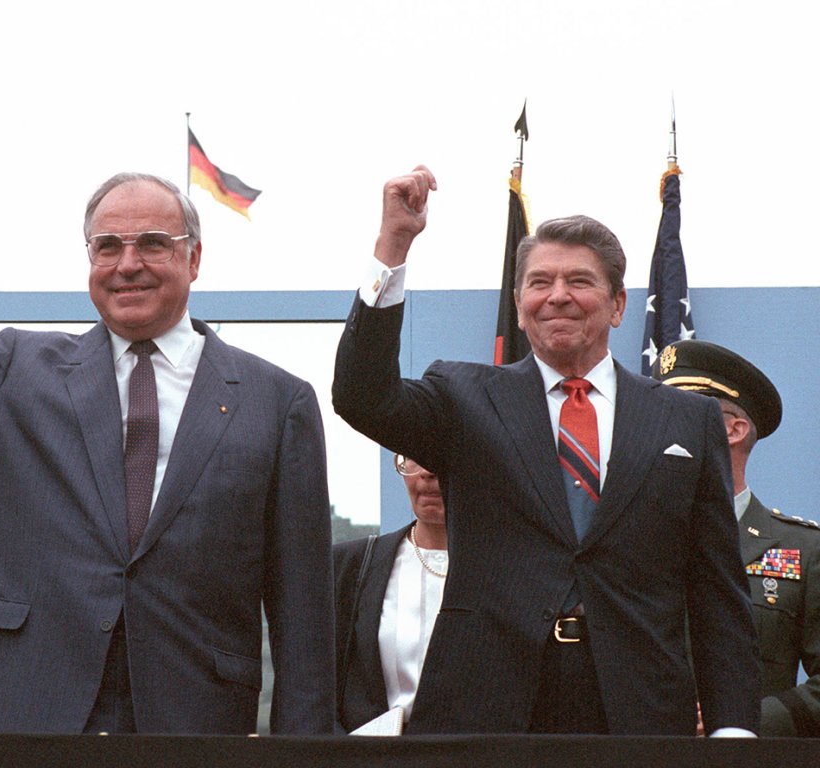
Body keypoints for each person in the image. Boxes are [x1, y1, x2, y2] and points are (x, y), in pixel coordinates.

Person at [0, 89, 334, 735]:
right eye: (107, 246)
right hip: (8, 713)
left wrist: (306, 752)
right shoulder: (16, 371)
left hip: (187, 725)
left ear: (194, 258)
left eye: (152, 243)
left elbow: (305, 618)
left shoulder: (276, 404)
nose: (128, 265)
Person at [332, 165, 760, 736]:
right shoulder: (464, 399)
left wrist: (734, 731)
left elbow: (717, 594)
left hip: (638, 714)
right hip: (485, 712)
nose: (558, 296)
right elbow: (361, 396)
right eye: (540, 282)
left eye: (579, 281)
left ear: (617, 304)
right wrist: (394, 246)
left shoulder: (687, 417)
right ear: (518, 301)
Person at [653, 339, 820, 737]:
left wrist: (742, 720)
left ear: (733, 428)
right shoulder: (622, 538)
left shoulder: (804, 550)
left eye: (675, 411)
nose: (655, 425)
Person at [333, 454, 447, 733]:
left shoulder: (506, 572)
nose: (427, 472)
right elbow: (316, 693)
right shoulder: (349, 566)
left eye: (441, 454)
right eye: (414, 456)